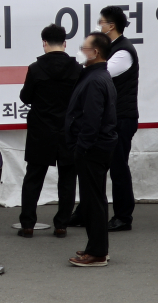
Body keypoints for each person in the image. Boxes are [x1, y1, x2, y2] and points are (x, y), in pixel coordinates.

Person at [18, 23, 83, 239]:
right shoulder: (77, 69)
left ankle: (27, 224)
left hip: (40, 130)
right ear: (65, 43)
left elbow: (26, 97)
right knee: (67, 178)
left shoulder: (35, 69)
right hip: (68, 130)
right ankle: (61, 224)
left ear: (44, 43)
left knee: (33, 177)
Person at [64, 32, 118, 268]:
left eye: (84, 48)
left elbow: (92, 119)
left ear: (95, 52)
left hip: (93, 148)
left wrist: (82, 147)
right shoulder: (95, 75)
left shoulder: (96, 79)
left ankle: (97, 252)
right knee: (92, 198)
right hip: (95, 146)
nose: (80, 51)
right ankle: (96, 247)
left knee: (93, 199)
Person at [99, 6, 138, 232]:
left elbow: (101, 72)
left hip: (121, 118)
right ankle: (87, 210)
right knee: (100, 166)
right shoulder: (112, 47)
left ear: (111, 26)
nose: (99, 26)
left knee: (118, 167)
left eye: (102, 22)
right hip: (111, 117)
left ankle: (123, 216)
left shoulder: (123, 51)